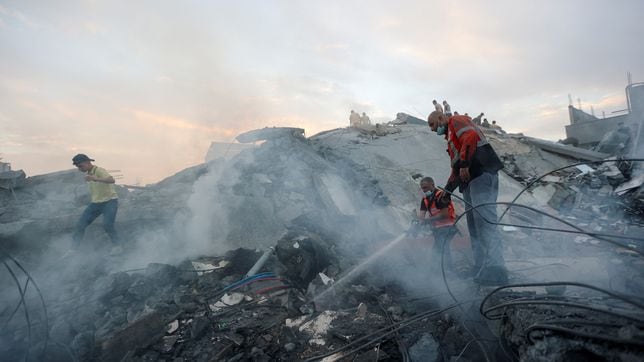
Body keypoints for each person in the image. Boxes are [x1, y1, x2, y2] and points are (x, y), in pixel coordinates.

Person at [427, 111, 507, 284]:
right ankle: (481, 268)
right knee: (474, 226)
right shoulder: (451, 140)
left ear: (441, 118)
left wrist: (464, 163)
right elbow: (456, 170)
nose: (433, 130)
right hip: (470, 181)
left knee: (484, 221)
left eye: (433, 125)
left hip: (481, 173)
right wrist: (447, 192)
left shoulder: (456, 120)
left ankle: (496, 269)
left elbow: (470, 136)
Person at [71, 154, 123, 254]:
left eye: (80, 166)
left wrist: (95, 178)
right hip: (96, 203)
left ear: (87, 162)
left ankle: (117, 246)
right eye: (77, 167)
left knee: (108, 225)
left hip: (110, 201)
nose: (79, 169)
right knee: (80, 225)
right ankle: (73, 250)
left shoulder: (99, 170)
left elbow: (111, 180)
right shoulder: (89, 174)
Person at [416, 177, 457, 269]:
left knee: (441, 248)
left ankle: (447, 271)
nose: (424, 190)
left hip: (448, 227)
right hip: (438, 229)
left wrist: (427, 221)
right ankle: (443, 271)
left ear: (433, 185)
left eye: (426, 187)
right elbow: (421, 215)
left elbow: (444, 215)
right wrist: (418, 223)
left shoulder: (441, 196)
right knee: (439, 249)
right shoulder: (425, 199)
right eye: (422, 188)